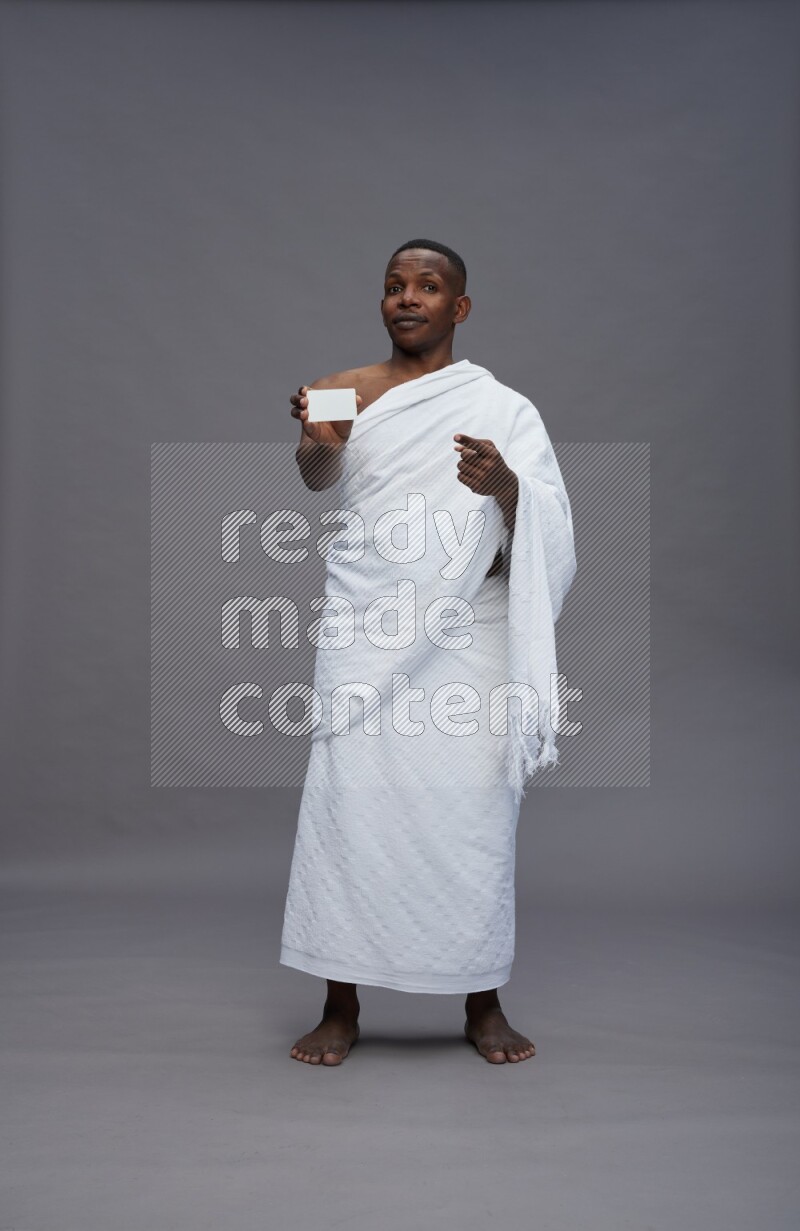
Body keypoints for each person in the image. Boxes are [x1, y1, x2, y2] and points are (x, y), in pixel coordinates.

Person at [281, 239, 575, 1065]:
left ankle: (482, 1000)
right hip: (367, 624)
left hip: (468, 632)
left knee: (474, 811)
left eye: (428, 286)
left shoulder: (504, 406)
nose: (407, 298)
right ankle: (340, 1004)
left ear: (459, 307)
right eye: (393, 286)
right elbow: (316, 478)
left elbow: (546, 518)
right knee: (350, 808)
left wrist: (505, 487)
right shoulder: (346, 386)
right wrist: (317, 434)